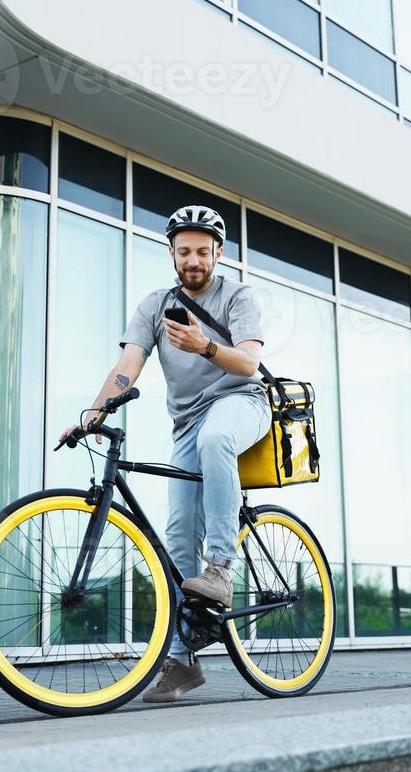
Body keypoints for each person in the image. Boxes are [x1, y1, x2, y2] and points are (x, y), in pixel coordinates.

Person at [58, 205, 271, 703]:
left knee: (217, 439)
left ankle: (220, 566)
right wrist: (96, 412)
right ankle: (182, 660)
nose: (193, 259)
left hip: (242, 402)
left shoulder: (239, 296)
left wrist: (204, 346)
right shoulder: (156, 304)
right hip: (187, 424)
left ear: (217, 253)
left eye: (202, 250)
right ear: (172, 254)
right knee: (177, 541)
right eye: (184, 251)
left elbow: (249, 361)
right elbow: (128, 362)